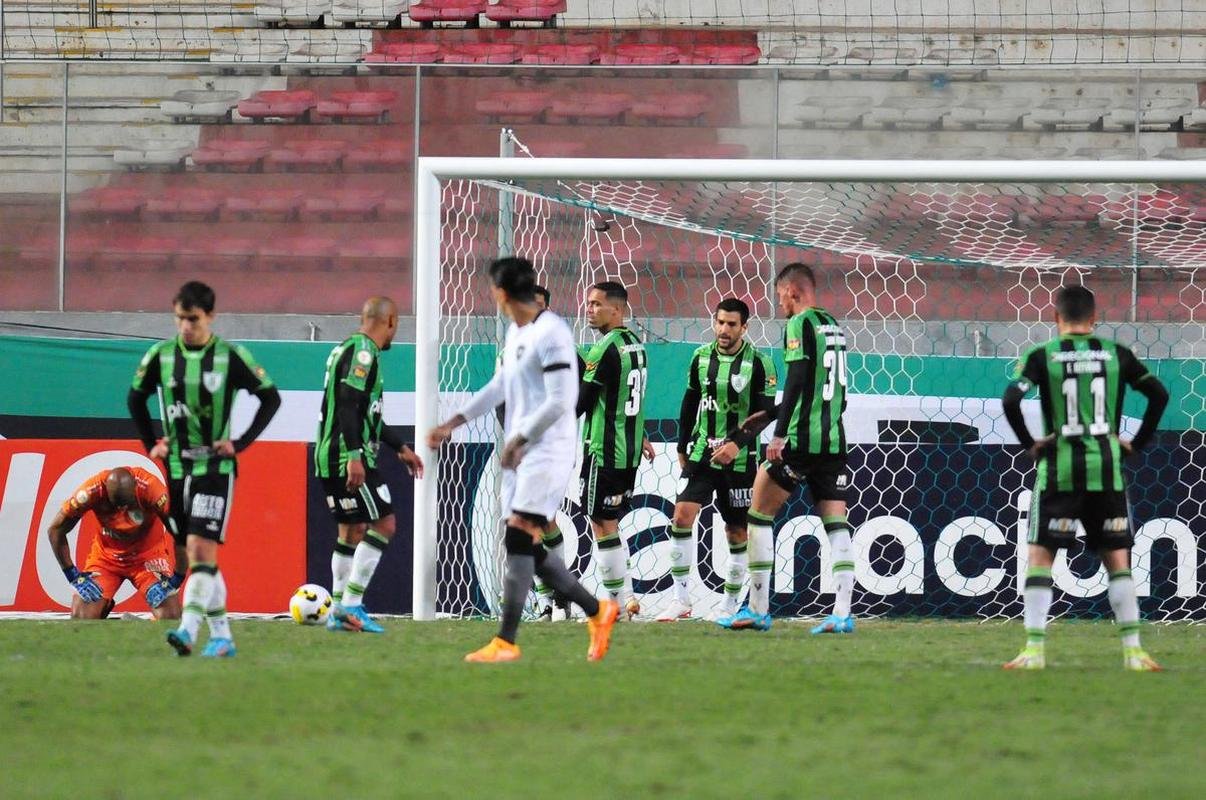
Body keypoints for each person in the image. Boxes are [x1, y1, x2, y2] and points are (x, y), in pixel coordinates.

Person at [428, 256, 619, 663]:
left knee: (518, 537)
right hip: (522, 451)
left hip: (547, 450)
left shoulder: (553, 333)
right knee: (521, 542)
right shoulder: (519, 333)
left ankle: (507, 641)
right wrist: (453, 422)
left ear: (500, 293)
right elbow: (499, 385)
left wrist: (522, 437)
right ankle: (596, 610)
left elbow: (561, 400)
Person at [1000, 285, 1168, 671]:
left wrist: (1031, 444)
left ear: (1056, 318)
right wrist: (1136, 444)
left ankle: (1034, 652)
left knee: (1041, 558)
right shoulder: (1117, 354)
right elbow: (1158, 395)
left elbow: (1010, 400)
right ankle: (1134, 653)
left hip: (1058, 473)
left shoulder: (1042, 356)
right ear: (1094, 320)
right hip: (1106, 472)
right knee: (1117, 562)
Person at [128, 280, 281, 658]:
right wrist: (153, 443)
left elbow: (270, 398)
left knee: (199, 548)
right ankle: (223, 637)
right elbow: (135, 399)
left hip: (215, 467)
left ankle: (187, 630)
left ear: (211, 316)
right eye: (180, 319)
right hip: (177, 468)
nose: (185, 327)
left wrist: (240, 443)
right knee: (197, 555)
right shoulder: (160, 356)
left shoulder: (230, 356)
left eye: (193, 319)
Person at [712, 263, 856, 634]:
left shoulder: (799, 324)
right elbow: (822, 386)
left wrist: (778, 432)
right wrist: (766, 417)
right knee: (837, 526)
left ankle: (758, 608)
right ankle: (842, 614)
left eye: (780, 298)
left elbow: (796, 379)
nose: (781, 306)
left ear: (793, 292)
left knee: (758, 516)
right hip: (833, 440)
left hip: (798, 439)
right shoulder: (833, 326)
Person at [660, 298, 777, 622]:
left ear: (744, 327)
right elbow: (690, 401)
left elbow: (764, 415)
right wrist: (682, 445)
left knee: (736, 532)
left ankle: (728, 605)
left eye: (731, 324)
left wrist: (737, 445)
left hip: (738, 459)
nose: (724, 330)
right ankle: (680, 600)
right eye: (720, 322)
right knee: (681, 516)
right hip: (701, 451)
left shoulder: (760, 363)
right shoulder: (700, 358)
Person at [315, 296, 424, 634]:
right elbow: (348, 404)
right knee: (385, 523)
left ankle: (337, 611)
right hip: (347, 454)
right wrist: (354, 456)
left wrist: (399, 448)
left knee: (351, 530)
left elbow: (366, 413)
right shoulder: (364, 352)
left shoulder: (347, 348)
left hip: (329, 454)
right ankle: (350, 605)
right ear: (389, 321)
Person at [579, 281, 655, 619]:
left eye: (597, 304)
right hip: (628, 453)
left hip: (604, 451)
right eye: (589, 304)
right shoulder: (636, 346)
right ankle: (626, 598)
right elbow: (629, 402)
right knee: (609, 523)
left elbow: (581, 404)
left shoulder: (604, 349)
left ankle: (618, 605)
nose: (590, 310)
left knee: (600, 523)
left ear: (617, 309)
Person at [47, 466, 184, 620]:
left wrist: (174, 582)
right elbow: (55, 530)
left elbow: (182, 535)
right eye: (116, 506)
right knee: (81, 617)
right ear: (106, 492)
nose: (122, 512)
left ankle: (130, 617)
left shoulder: (152, 488)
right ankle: (102, 606)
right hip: (106, 559)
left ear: (136, 489)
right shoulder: (92, 491)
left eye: (127, 505)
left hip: (148, 558)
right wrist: (74, 577)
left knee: (170, 616)